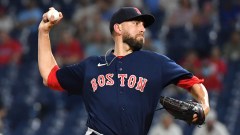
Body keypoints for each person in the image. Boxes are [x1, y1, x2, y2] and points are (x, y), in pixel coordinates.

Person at [38, 7, 210, 135]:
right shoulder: (91, 66)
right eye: (136, 23)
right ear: (118, 28)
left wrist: (204, 105)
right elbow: (50, 77)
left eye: (143, 25)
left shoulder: (156, 62)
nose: (142, 29)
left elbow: (193, 83)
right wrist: (44, 32)